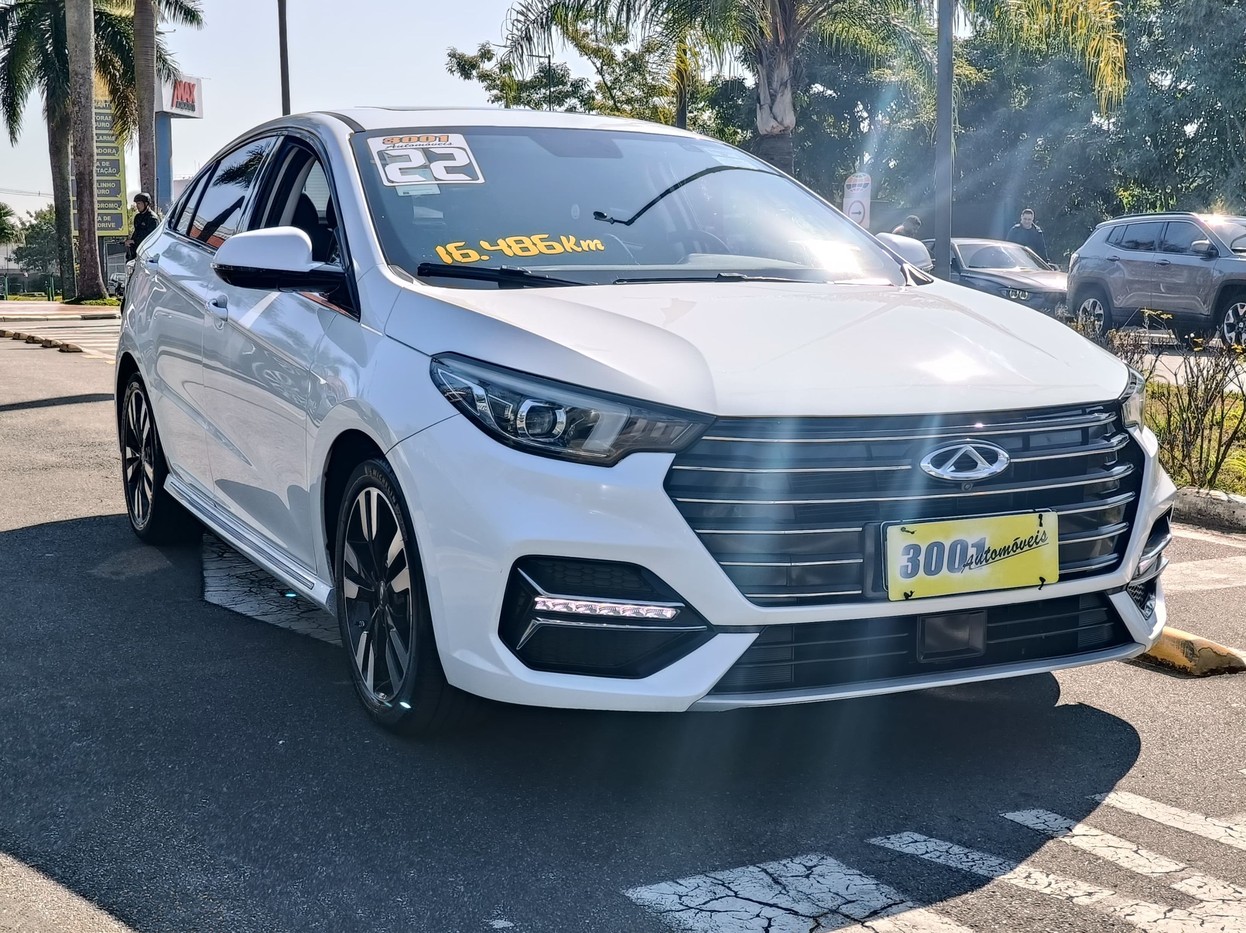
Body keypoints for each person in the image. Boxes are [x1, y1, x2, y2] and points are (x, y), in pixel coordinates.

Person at [126, 192, 159, 261]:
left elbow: (151, 237)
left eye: (139, 203)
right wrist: (130, 242)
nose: (137, 206)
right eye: (136, 204)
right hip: (137, 251)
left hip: (148, 253)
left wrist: (134, 241)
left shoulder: (152, 218)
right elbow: (136, 232)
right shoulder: (138, 217)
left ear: (146, 204)